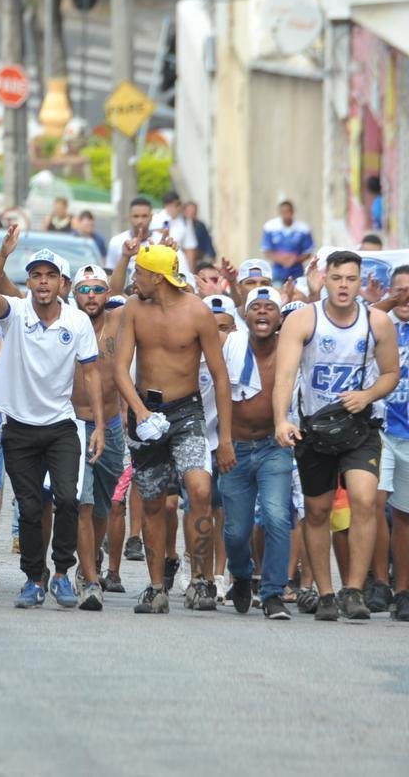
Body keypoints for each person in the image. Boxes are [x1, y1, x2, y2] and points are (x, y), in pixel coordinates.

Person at [273, 250, 400, 621]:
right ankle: (326, 593)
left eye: (351, 279)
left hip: (361, 426)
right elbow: (284, 375)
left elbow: (390, 373)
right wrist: (281, 419)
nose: (344, 286)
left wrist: (368, 395)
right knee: (317, 511)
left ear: (360, 283)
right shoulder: (302, 320)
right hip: (315, 427)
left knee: (363, 499)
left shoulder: (377, 322)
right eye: (337, 278)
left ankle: (354, 590)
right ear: (324, 280)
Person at [0, 235, 105, 609]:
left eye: (51, 275)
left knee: (67, 499)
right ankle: (34, 579)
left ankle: (63, 574)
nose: (44, 282)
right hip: (19, 425)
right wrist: (1, 256)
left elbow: (91, 374)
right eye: (36, 275)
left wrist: (99, 424)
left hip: (61, 425)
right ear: (29, 282)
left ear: (63, 284)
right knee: (31, 508)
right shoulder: (16, 312)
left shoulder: (78, 321)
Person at [115, 243, 235, 615]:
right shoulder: (134, 308)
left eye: (138, 273)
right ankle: (155, 587)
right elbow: (120, 369)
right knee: (152, 502)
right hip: (145, 409)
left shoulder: (197, 312)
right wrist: (140, 412)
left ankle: (201, 581)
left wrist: (225, 438)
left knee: (199, 488)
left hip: (186, 412)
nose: (134, 280)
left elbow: (219, 376)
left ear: (157, 276)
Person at [218, 286, 294, 620]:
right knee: (236, 531)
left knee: (277, 517)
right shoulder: (228, 345)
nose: (262, 312)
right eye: (256, 307)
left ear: (280, 317)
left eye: (270, 307)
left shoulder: (291, 351)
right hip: (233, 447)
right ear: (245, 315)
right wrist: (221, 442)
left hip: (272, 447)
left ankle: (273, 592)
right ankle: (242, 574)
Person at [69, 264, 128, 595]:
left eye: (97, 290)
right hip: (76, 423)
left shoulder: (120, 321)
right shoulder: (64, 321)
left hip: (112, 424)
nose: (91, 296)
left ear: (108, 294)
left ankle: (91, 556)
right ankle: (90, 576)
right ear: (73, 293)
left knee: (105, 506)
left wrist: (127, 258)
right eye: (84, 290)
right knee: (84, 502)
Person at [378, 265, 409, 621]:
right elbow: (364, 321)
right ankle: (381, 585)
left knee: (404, 515)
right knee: (373, 502)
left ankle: (403, 589)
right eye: (398, 290)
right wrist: (387, 302)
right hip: (383, 429)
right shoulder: (381, 324)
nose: (405, 297)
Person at [261, 200, 314, 284]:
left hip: (296, 271)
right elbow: (266, 250)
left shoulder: (303, 229)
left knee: (297, 294)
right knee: (277, 293)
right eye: (283, 212)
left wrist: (294, 260)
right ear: (279, 212)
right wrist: (280, 259)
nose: (286, 214)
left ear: (293, 212)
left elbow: (308, 252)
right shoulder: (270, 227)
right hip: (278, 271)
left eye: (288, 211)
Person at [104, 197, 152, 270]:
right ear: (129, 217)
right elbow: (109, 273)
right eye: (136, 216)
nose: (140, 221)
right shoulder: (116, 242)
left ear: (151, 217)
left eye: (144, 216)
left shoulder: (160, 242)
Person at [150, 191, 198, 266]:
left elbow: (190, 247)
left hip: (179, 262)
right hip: (159, 260)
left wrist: (190, 272)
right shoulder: (156, 219)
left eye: (178, 205)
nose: (176, 208)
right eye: (171, 205)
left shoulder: (185, 221)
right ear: (166, 206)